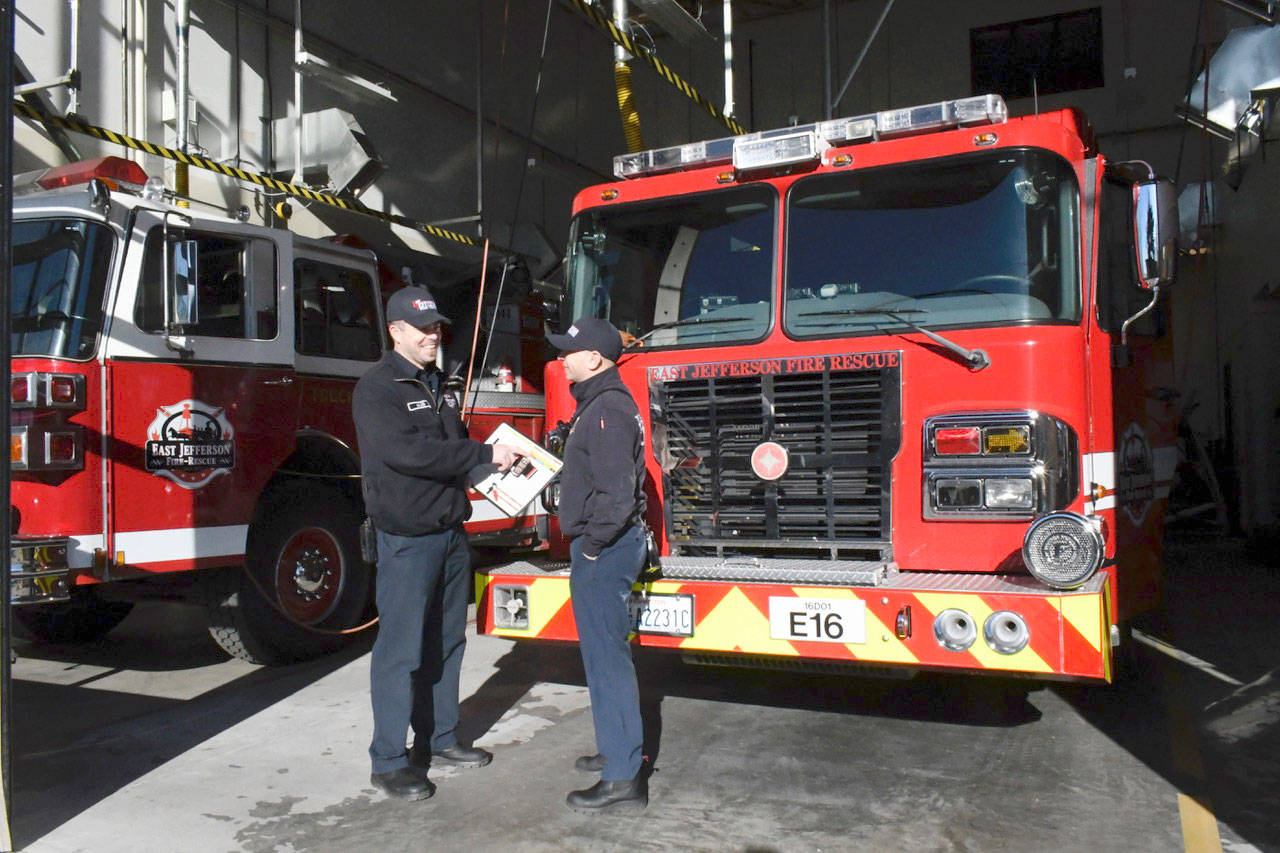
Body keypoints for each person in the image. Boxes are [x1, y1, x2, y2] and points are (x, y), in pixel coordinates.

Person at [353, 285, 522, 801]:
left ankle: (442, 738)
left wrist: (508, 470)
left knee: (448, 644)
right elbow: (411, 454)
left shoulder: (439, 385)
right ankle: (389, 760)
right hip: (405, 541)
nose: (432, 335)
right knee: (400, 653)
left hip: (449, 536)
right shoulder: (377, 388)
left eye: (436, 327)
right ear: (395, 330)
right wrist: (483, 454)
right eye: (422, 328)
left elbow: (451, 451)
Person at [546, 316, 649, 814]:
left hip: (604, 548)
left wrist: (591, 548)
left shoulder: (605, 409)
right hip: (604, 546)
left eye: (569, 351)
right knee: (601, 659)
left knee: (608, 663)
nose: (561, 359)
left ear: (594, 358)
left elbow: (617, 495)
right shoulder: (602, 405)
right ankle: (617, 750)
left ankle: (624, 778)